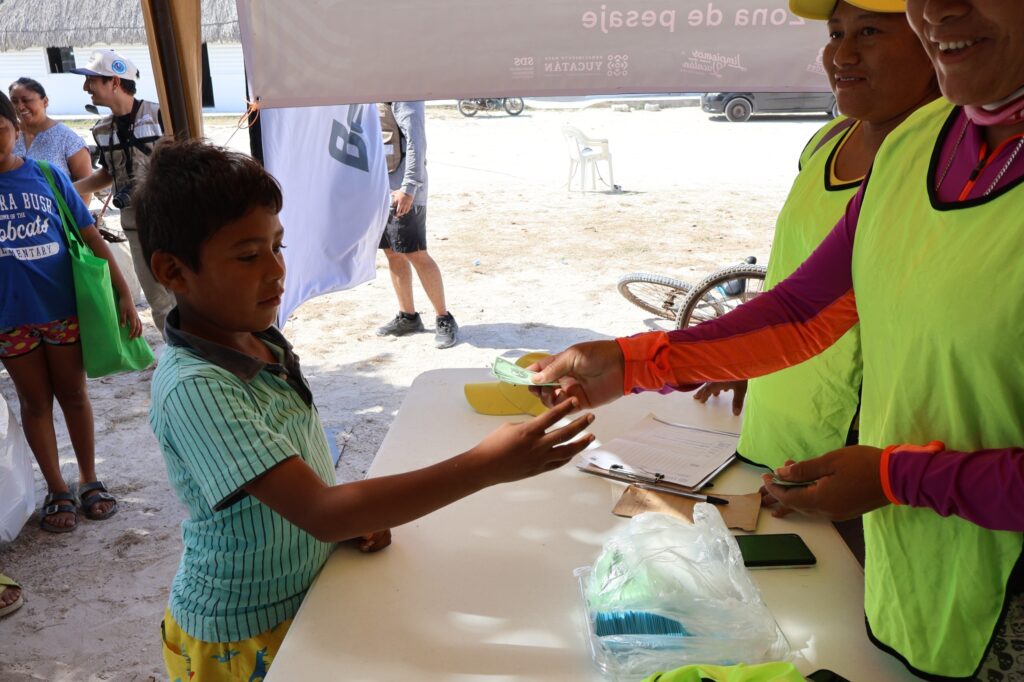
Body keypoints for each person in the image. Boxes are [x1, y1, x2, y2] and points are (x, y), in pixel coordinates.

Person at [530, 0, 1024, 678]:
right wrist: (632, 361)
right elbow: (802, 309)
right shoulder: (923, 138)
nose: (940, 8)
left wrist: (894, 475)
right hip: (922, 573)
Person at [133, 138, 593, 681]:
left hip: (311, 592)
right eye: (248, 255)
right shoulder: (197, 387)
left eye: (278, 247)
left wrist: (354, 519)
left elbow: (304, 493)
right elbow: (319, 510)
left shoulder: (259, 341)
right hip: (243, 632)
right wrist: (484, 466)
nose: (277, 272)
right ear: (173, 271)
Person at [693, 2, 939, 473]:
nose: (842, 55)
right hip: (772, 424)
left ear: (932, 43)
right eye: (834, 34)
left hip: (859, 457)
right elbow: (794, 270)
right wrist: (751, 353)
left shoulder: (945, 164)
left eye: (869, 32)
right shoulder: (826, 141)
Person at [0, 91, 142, 532]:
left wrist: (122, 292)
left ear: (17, 130)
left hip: (62, 310)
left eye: (1, 130)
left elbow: (93, 237)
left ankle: (88, 478)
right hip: (8, 320)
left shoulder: (46, 176)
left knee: (74, 394)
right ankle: (57, 487)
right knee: (35, 402)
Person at [71, 49, 174, 335]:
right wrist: (68, 189)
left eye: (92, 80)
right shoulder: (102, 129)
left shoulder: (161, 114)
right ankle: (179, 354)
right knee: (158, 299)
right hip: (133, 224)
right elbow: (108, 173)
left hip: (172, 219)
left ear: (114, 82)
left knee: (185, 289)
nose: (86, 88)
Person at [375, 101, 459, 349]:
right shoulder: (373, 90)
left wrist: (409, 187)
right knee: (392, 253)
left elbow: (416, 141)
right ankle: (408, 316)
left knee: (415, 252)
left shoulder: (405, 91)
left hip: (404, 190)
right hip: (381, 188)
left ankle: (444, 318)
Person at [8, 77, 93, 206]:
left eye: (26, 100)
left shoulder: (68, 139)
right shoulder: (7, 136)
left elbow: (86, 188)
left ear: (45, 101)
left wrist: (76, 223)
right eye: (14, 101)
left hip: (57, 221)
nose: (20, 106)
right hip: (14, 222)